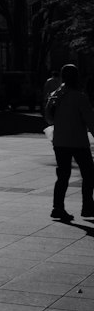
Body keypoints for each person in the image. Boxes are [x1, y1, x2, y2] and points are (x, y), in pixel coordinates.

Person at [48, 64, 94, 221]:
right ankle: (87, 206)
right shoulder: (79, 96)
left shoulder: (55, 95)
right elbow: (90, 120)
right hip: (78, 142)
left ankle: (58, 208)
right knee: (89, 174)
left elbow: (49, 118)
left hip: (60, 141)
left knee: (63, 175)